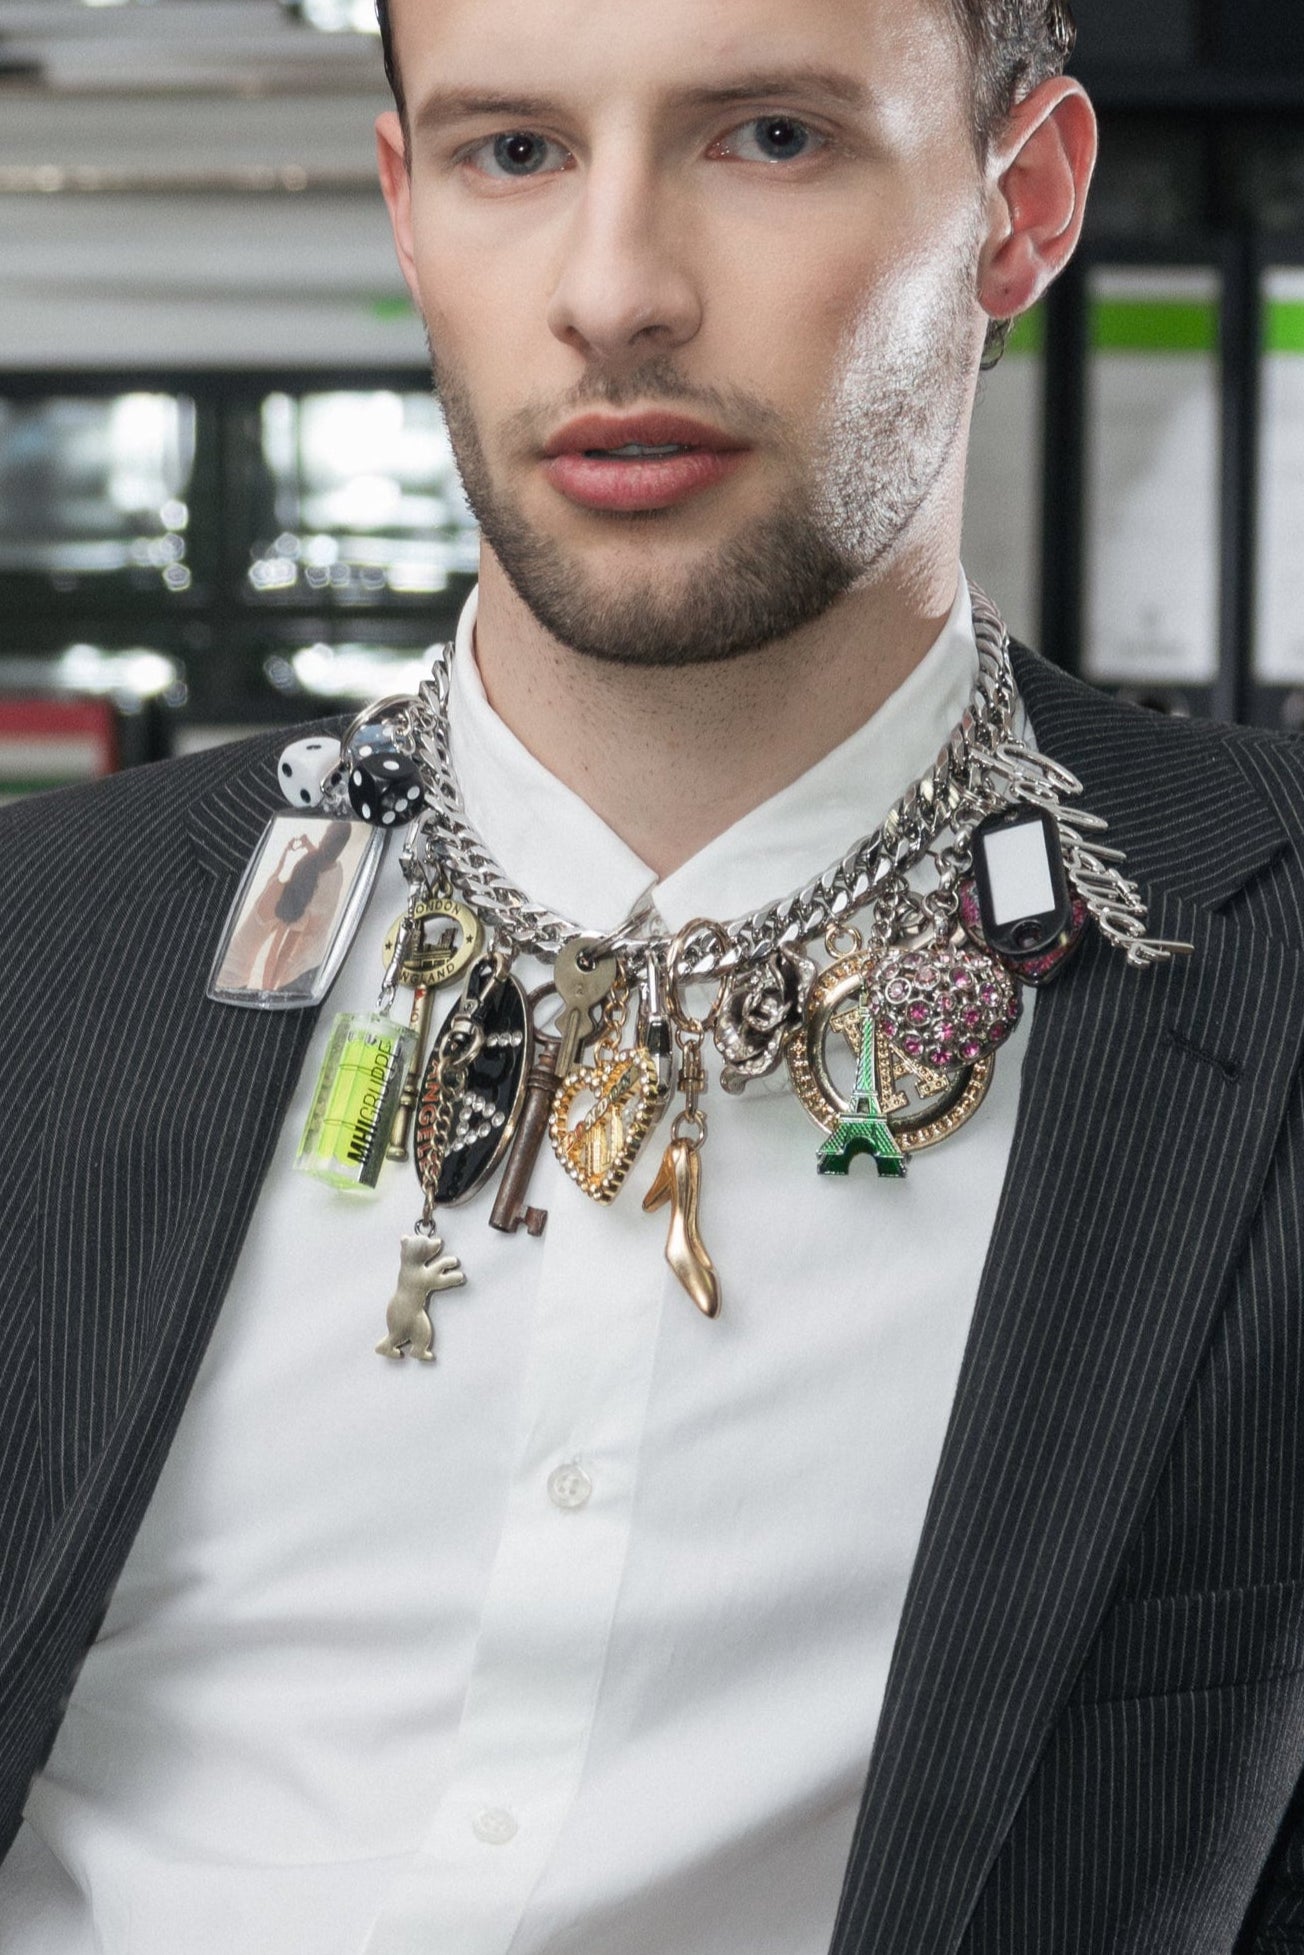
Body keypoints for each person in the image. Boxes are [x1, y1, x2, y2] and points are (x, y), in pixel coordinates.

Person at [2, 0, 1304, 1950]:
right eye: (513, 152)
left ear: (1021, 204)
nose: (613, 292)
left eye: (769, 137)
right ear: (411, 211)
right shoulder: (39, 944)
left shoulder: (1261, 955)